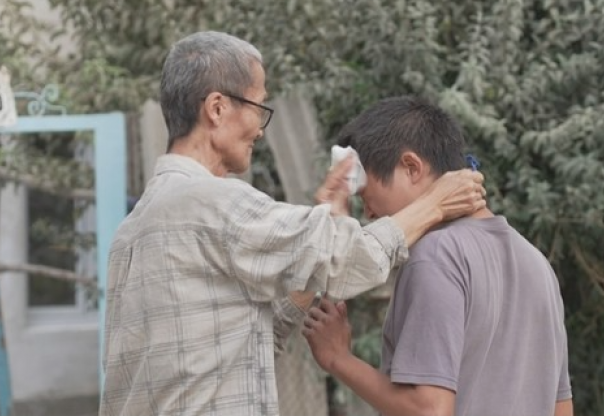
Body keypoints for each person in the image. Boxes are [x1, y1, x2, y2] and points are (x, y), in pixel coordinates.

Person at [99, 31, 486, 416]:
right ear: (217, 108)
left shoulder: (132, 229)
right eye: (258, 107)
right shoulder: (214, 203)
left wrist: (306, 269)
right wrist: (436, 202)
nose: (260, 129)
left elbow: (241, 346)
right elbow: (351, 260)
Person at [303, 95, 573, 416]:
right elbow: (561, 408)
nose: (370, 214)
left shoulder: (436, 255)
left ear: (412, 167)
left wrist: (338, 358)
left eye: (367, 197)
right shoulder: (536, 262)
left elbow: (429, 410)